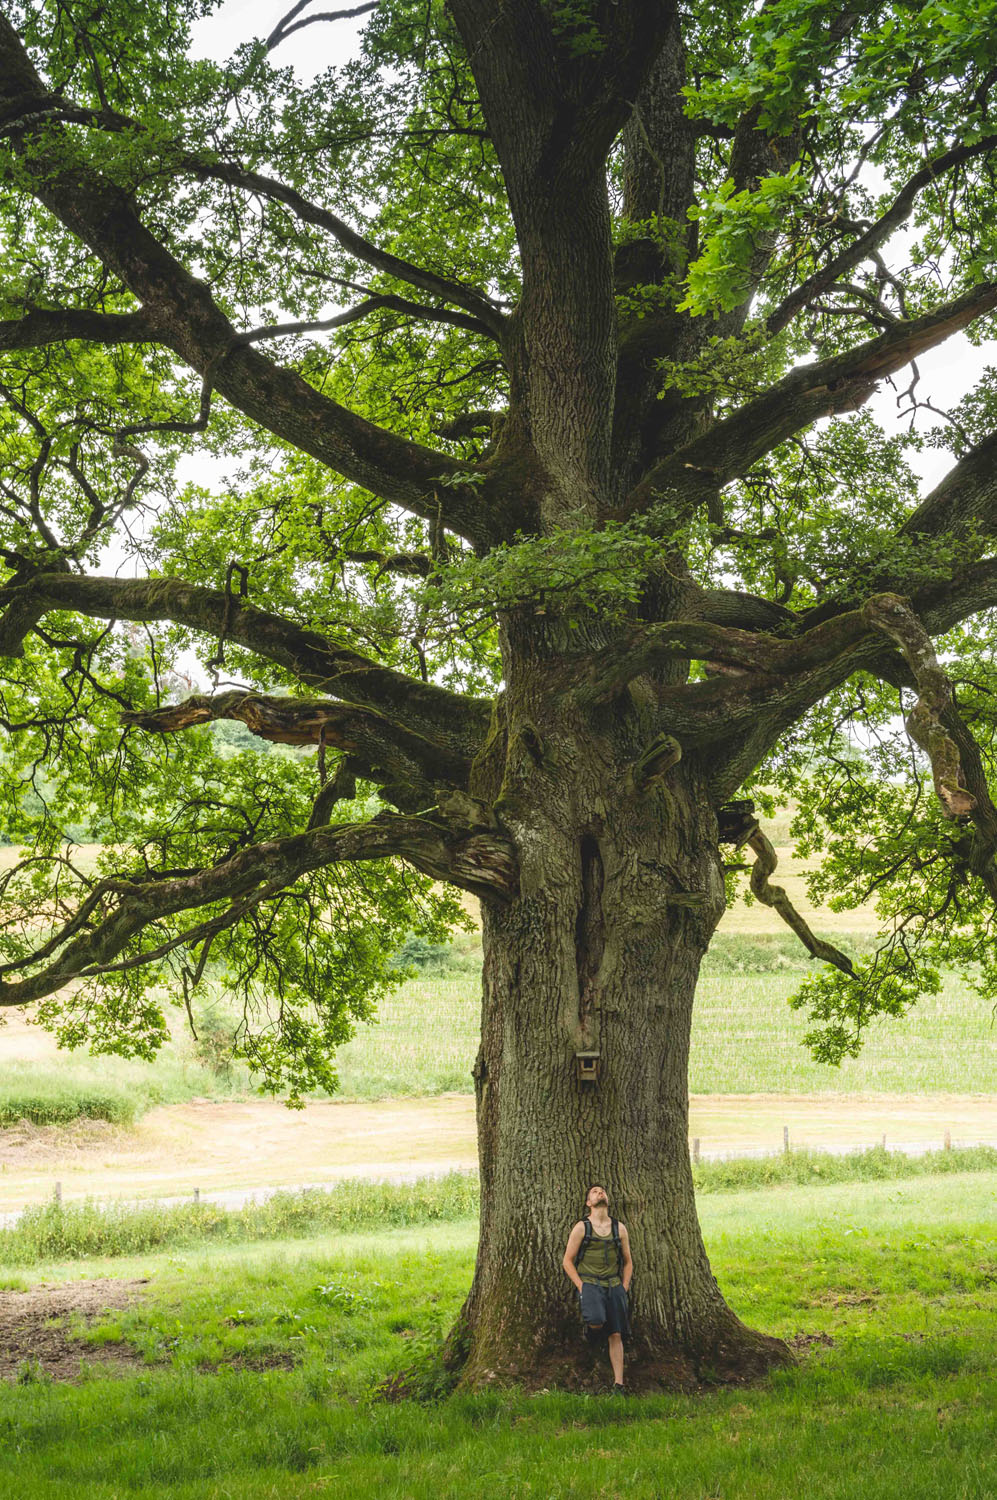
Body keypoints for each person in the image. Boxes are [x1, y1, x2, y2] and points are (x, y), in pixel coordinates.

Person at [562, 1184, 633, 1393]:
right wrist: (581, 1286)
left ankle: (618, 1384)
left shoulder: (619, 1228)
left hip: (614, 1285)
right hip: (590, 1284)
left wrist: (624, 1287)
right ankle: (592, 1333)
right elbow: (567, 1261)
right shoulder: (582, 1227)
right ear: (588, 1203)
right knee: (596, 1322)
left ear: (608, 1200)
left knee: (616, 1334)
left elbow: (628, 1262)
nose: (599, 1193)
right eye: (594, 1192)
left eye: (602, 1191)